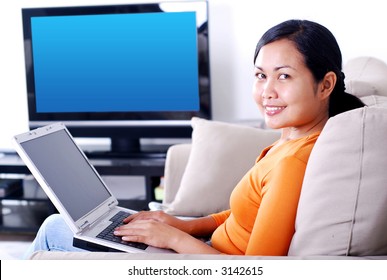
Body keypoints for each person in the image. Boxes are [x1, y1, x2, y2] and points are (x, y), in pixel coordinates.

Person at [24, 19, 365, 258]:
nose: (267, 92)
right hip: (202, 247)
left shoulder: (294, 160)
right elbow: (240, 217)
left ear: (326, 84)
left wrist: (172, 238)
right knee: (72, 225)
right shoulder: (292, 140)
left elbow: (261, 271)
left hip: (204, 263)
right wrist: (182, 225)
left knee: (56, 229)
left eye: (284, 76)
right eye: (260, 75)